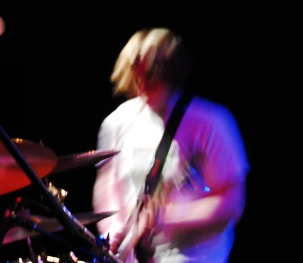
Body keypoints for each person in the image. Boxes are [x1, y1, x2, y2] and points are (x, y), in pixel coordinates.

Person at [92, 27, 249, 263]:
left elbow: (232, 204)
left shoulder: (212, 122)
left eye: (151, 74)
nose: (141, 82)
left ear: (171, 72)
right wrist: (113, 227)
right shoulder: (117, 122)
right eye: (136, 72)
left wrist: (171, 217)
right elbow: (107, 184)